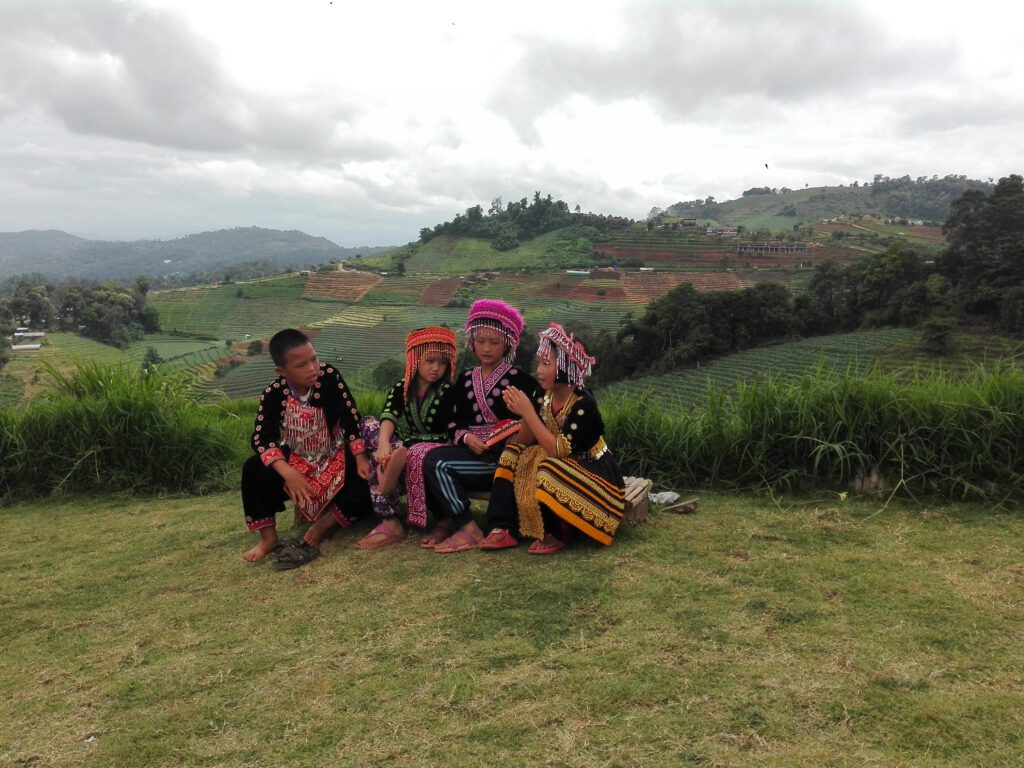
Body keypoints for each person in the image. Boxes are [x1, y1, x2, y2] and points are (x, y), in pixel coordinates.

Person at [480, 322, 625, 554]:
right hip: (559, 459)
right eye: (539, 363)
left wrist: (528, 411)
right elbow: (525, 440)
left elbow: (560, 450)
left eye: (546, 364)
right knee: (512, 453)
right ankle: (503, 526)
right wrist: (524, 413)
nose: (538, 370)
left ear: (566, 367)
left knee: (547, 468)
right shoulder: (542, 393)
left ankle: (560, 530)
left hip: (592, 466)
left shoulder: (583, 404)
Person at [241, 328, 372, 568]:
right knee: (252, 469)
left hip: (334, 454)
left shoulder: (330, 377)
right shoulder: (272, 395)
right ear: (282, 371)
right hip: (297, 458)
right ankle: (268, 538)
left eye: (314, 359)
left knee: (368, 473)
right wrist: (287, 472)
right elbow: (261, 438)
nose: (312, 368)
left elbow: (351, 418)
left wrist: (361, 456)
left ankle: (326, 523)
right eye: (301, 365)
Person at [422, 299, 537, 553]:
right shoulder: (464, 380)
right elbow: (451, 421)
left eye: (494, 342)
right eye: (480, 341)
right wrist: (464, 438)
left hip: (503, 463)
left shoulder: (522, 382)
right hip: (473, 456)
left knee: (438, 463)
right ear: (471, 341)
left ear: (508, 343)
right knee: (429, 458)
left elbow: (536, 421)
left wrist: (516, 432)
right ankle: (460, 522)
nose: (486, 348)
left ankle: (467, 528)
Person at [354, 326, 458, 549]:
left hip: (436, 446)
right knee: (368, 422)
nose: (436, 368)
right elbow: (389, 416)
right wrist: (383, 445)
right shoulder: (402, 388)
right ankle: (390, 457)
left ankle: (390, 518)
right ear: (415, 359)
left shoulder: (449, 391)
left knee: (383, 457)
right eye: (430, 361)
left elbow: (454, 428)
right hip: (406, 443)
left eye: (442, 363)